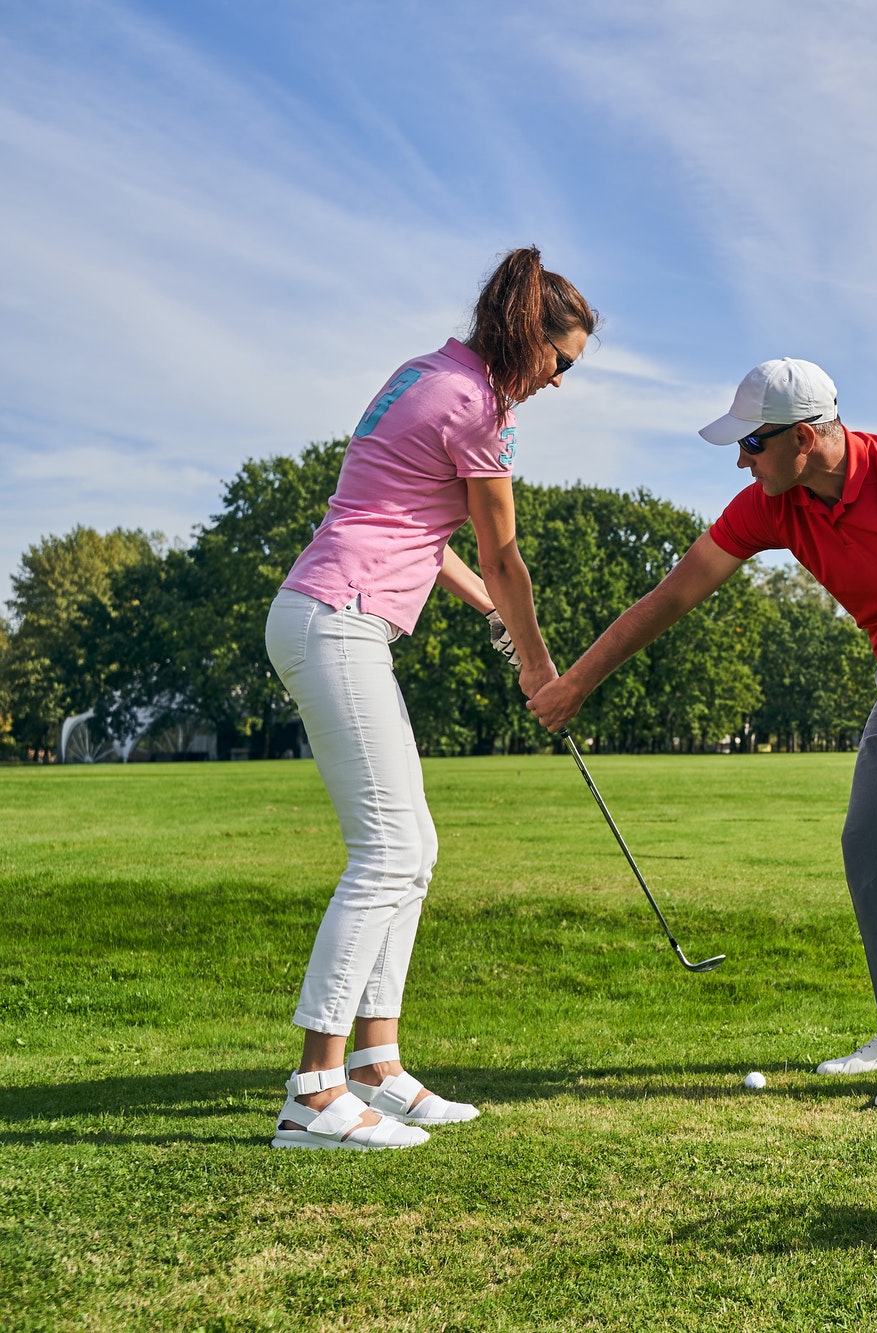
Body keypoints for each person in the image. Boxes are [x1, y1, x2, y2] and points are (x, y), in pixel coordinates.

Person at [527, 358, 877, 1108]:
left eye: (752, 444)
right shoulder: (774, 502)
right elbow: (672, 596)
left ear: (805, 438)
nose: (741, 459)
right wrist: (576, 682)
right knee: (866, 842)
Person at [265, 247, 596, 1150]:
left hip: (328, 609)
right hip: (337, 616)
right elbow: (503, 553)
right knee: (388, 849)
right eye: (561, 362)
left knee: (416, 846)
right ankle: (314, 1089)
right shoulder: (480, 406)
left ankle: (376, 1067)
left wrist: (493, 611)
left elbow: (413, 524)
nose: (561, 382)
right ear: (531, 341)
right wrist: (539, 668)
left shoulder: (428, 374)